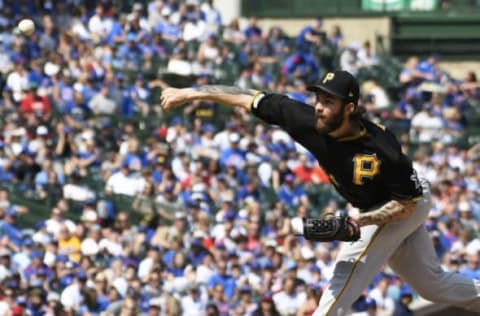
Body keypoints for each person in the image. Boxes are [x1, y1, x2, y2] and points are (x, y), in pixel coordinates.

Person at [161, 70, 480, 315]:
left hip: (402, 201)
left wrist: (360, 223)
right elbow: (248, 97)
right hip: (375, 205)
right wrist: (190, 93)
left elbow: (407, 205)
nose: (319, 107)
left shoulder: (383, 148)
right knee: (433, 286)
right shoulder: (306, 120)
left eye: (328, 101)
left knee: (343, 279)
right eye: (318, 98)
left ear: (350, 107)